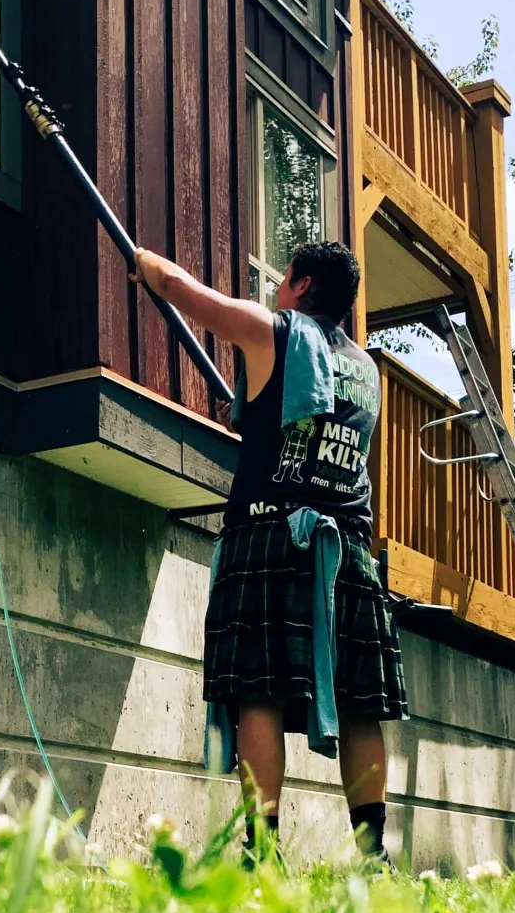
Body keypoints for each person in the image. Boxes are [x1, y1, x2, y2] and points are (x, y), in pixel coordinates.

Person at [132, 238, 409, 860]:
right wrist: (250, 412)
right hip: (351, 552)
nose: (275, 292)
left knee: (259, 692)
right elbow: (309, 426)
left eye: (283, 282)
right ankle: (374, 855)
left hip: (270, 537)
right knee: (362, 704)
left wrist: (147, 265)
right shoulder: (366, 372)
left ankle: (262, 853)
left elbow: (182, 292)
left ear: (303, 285)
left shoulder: (278, 333)